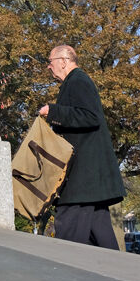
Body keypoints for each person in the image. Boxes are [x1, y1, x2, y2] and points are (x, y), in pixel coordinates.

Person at [39, 45, 124, 249]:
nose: (49, 67)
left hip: (81, 183)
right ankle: (117, 277)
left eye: (50, 62)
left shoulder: (78, 81)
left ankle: (67, 279)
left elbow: (90, 116)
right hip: (89, 187)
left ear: (64, 61)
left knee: (69, 245)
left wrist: (53, 112)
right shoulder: (74, 82)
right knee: (104, 244)